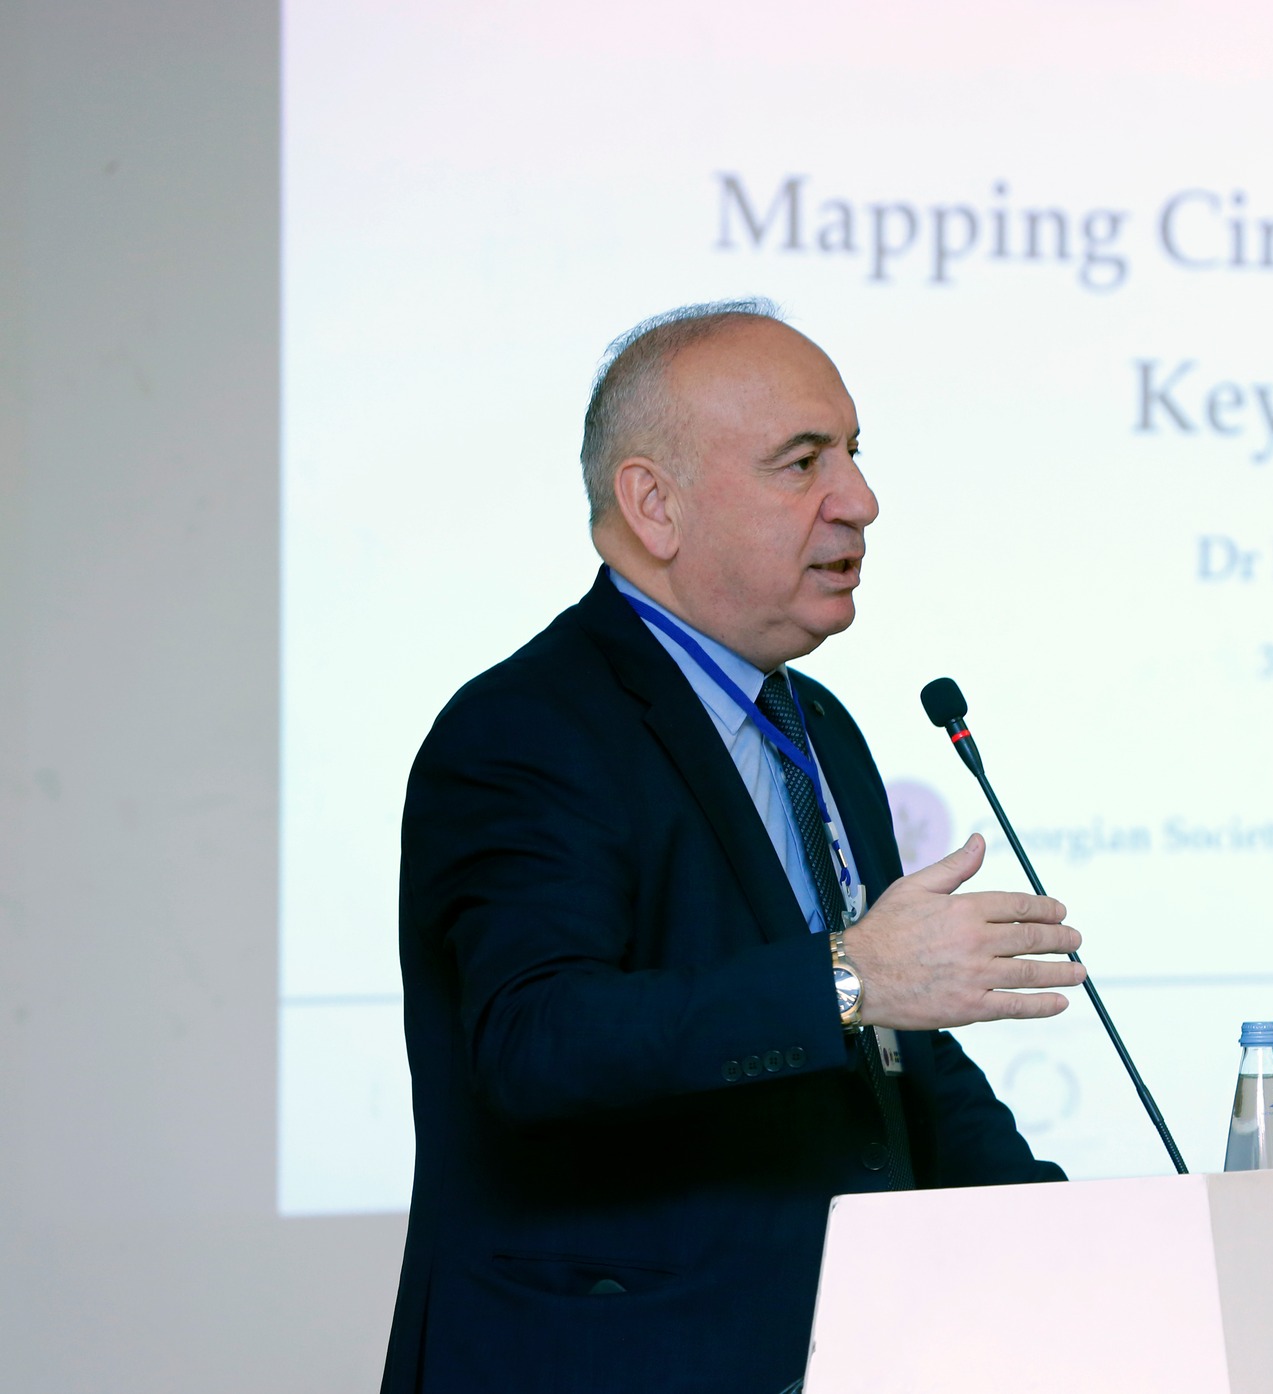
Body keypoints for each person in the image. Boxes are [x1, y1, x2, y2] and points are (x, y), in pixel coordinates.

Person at [380, 301, 1085, 1394]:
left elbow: (885, 1049)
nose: (859, 500)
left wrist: (1076, 1234)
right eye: (802, 462)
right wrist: (849, 976)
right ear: (654, 505)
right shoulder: (524, 729)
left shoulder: (819, 726)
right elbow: (535, 1038)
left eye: (852, 453)